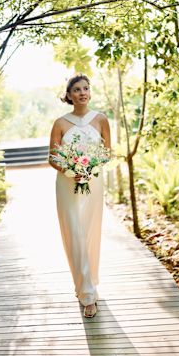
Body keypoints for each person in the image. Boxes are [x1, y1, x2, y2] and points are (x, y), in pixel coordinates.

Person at [48, 74, 111, 318]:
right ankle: (86, 294)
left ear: (90, 92)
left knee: (90, 232)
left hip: (94, 183)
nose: (82, 92)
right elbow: (53, 157)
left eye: (86, 88)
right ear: (69, 95)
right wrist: (71, 170)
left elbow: (107, 153)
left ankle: (90, 284)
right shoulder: (60, 123)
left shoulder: (101, 119)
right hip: (68, 184)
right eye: (77, 89)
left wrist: (90, 168)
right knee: (75, 234)